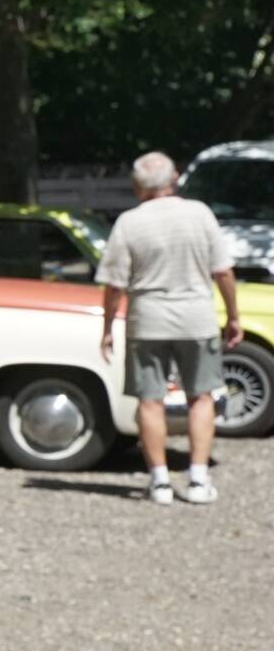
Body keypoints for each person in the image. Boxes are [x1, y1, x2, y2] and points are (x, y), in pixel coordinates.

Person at [98, 151, 242, 504]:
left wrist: (107, 327)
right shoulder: (200, 213)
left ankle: (160, 482)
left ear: (137, 186)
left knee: (150, 401)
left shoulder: (129, 222)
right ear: (174, 178)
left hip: (147, 321)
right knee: (201, 396)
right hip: (197, 320)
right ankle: (198, 479)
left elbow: (114, 285)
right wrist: (233, 316)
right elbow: (223, 271)